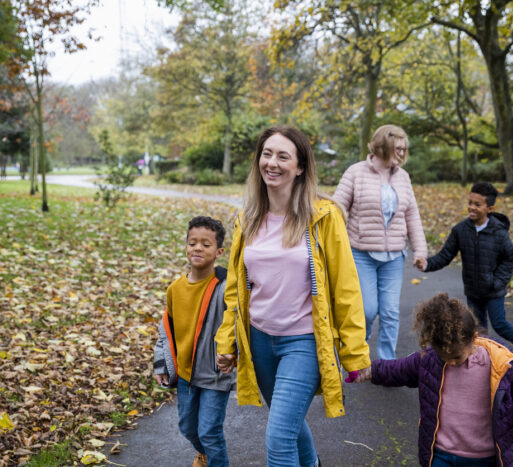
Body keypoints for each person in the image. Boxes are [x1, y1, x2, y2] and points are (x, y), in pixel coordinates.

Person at [215, 125, 371, 466]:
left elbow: (346, 287)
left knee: (278, 437)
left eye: (283, 156)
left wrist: (355, 353)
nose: (272, 162)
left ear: (300, 167)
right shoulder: (248, 219)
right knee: (290, 426)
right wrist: (227, 341)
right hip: (259, 340)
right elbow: (235, 293)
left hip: (303, 342)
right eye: (267, 154)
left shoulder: (324, 217)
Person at [351, 293, 513, 467]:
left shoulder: (500, 361)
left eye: (456, 357)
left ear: (473, 339)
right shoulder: (431, 359)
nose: (450, 363)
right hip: (442, 455)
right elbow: (397, 369)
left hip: (487, 458)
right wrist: (368, 371)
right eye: (444, 356)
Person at [416, 182, 513, 382]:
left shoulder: (498, 232)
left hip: (493, 290)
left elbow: (509, 259)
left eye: (477, 204)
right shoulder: (461, 230)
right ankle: (484, 370)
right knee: (477, 332)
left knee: (500, 323)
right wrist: (427, 264)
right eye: (470, 203)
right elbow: (446, 255)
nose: (472, 207)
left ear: (489, 208)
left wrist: (498, 282)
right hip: (473, 290)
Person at [333, 124, 427, 360]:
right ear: (382, 147)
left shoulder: (403, 177)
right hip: (361, 253)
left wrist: (420, 250)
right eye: (398, 148)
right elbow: (336, 210)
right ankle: (358, 354)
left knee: (390, 312)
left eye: (404, 149)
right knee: (366, 310)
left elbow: (411, 214)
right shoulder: (356, 172)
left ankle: (387, 363)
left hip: (394, 256)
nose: (402, 154)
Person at [153, 216, 235, 467]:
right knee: (188, 427)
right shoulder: (175, 289)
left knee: (209, 431)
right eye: (192, 243)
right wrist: (160, 364)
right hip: (186, 374)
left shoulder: (225, 287)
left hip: (214, 374)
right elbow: (166, 330)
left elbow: (237, 324)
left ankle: (214, 458)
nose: (197, 248)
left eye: (206, 244)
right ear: (186, 247)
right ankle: (205, 454)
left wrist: (232, 352)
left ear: (219, 251)